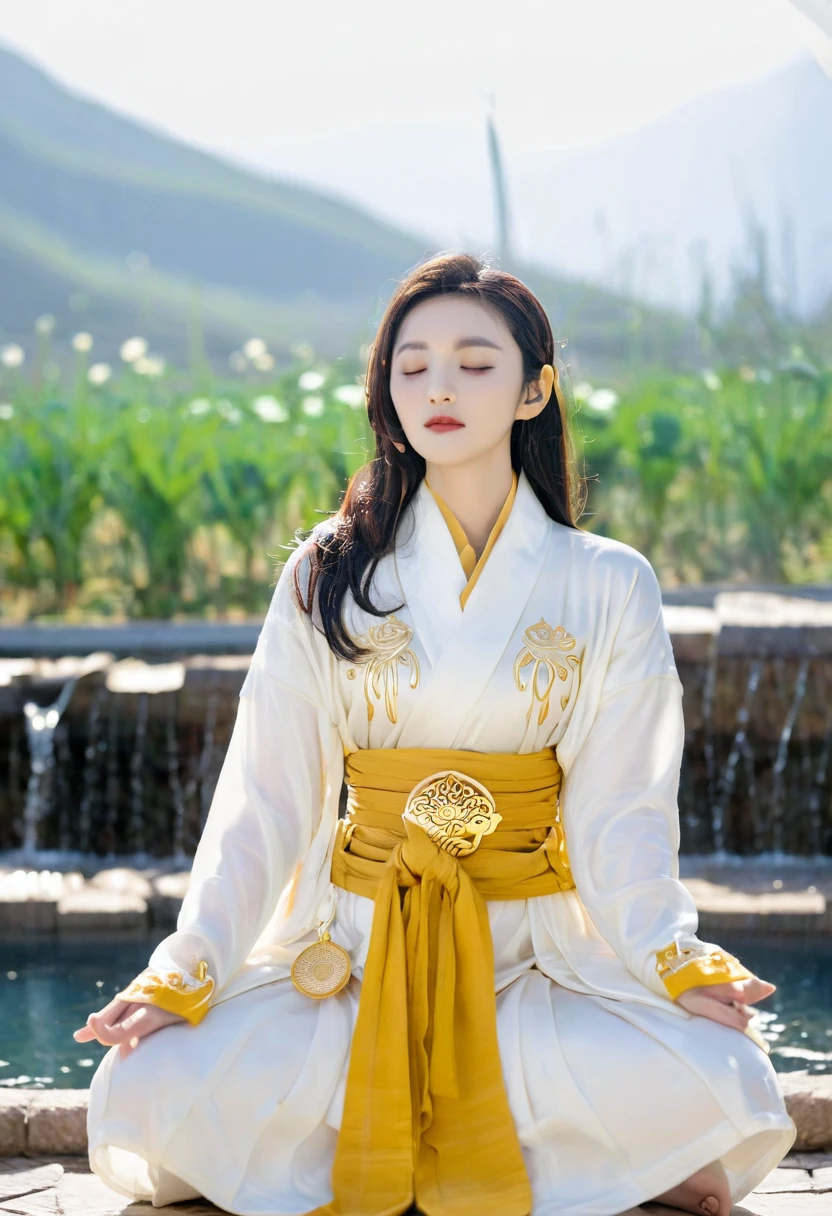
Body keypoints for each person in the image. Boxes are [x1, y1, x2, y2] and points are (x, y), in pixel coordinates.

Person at [76, 252, 795, 1216]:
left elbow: (623, 810)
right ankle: (598, 1167)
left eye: (473, 363)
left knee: (731, 1070)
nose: (439, 388)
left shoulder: (609, 580)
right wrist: (186, 968)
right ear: (387, 392)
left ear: (535, 389)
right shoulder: (328, 571)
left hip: (528, 957)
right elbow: (268, 798)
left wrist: (674, 956)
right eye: (410, 368)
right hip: (356, 947)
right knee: (144, 1082)